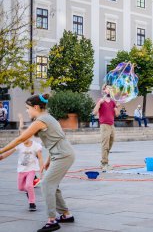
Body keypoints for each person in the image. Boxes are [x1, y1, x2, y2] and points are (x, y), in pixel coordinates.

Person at [0, 94, 76, 232]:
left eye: (27, 108)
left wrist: (1, 151)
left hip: (63, 155)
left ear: (36, 107)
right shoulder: (47, 118)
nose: (27, 111)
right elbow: (57, 139)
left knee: (46, 183)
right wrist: (49, 159)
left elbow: (20, 139)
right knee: (53, 185)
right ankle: (66, 215)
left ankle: (52, 220)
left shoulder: (40, 121)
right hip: (59, 154)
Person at [0, 114, 44, 211]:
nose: (24, 138)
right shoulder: (19, 145)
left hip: (31, 169)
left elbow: (40, 158)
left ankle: (32, 203)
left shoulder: (36, 146)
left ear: (30, 135)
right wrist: (2, 157)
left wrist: (41, 169)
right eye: (22, 136)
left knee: (29, 185)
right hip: (21, 170)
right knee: (21, 188)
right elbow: (9, 152)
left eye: (26, 136)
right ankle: (29, 191)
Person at [93, 85, 119, 172]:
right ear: (104, 90)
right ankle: (104, 163)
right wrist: (99, 103)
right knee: (105, 145)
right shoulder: (101, 101)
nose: (110, 89)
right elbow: (94, 112)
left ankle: (104, 161)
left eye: (111, 88)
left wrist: (117, 108)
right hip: (104, 125)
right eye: (108, 88)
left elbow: (117, 114)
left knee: (110, 143)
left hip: (112, 125)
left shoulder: (112, 102)